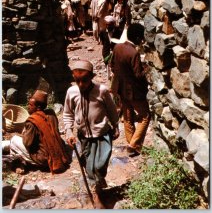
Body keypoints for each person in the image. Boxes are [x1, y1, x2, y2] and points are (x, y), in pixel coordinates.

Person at [63, 60, 119, 209]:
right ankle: (96, 192)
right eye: (77, 81)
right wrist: (69, 131)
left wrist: (116, 125)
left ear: (92, 77)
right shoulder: (72, 92)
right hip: (84, 136)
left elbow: (112, 109)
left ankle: (98, 182)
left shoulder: (102, 90)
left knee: (100, 164)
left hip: (102, 133)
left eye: (85, 80)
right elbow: (68, 113)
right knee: (88, 165)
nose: (81, 84)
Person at [3, 90, 69, 174]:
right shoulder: (51, 113)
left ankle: (17, 163)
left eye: (30, 105)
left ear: (38, 108)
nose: (28, 107)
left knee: (14, 140)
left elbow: (27, 143)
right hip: (59, 154)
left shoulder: (32, 121)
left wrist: (22, 134)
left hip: (44, 160)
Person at [111, 23, 151, 157]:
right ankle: (133, 145)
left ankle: (132, 147)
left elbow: (112, 66)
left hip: (120, 89)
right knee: (145, 116)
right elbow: (138, 75)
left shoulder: (117, 47)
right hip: (134, 91)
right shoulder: (133, 52)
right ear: (138, 38)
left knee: (127, 117)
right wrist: (146, 69)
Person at [99, 15, 121, 79]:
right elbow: (103, 41)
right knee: (107, 63)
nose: (108, 26)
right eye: (106, 24)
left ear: (113, 24)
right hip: (106, 50)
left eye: (109, 25)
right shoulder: (102, 31)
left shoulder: (118, 31)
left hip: (116, 50)